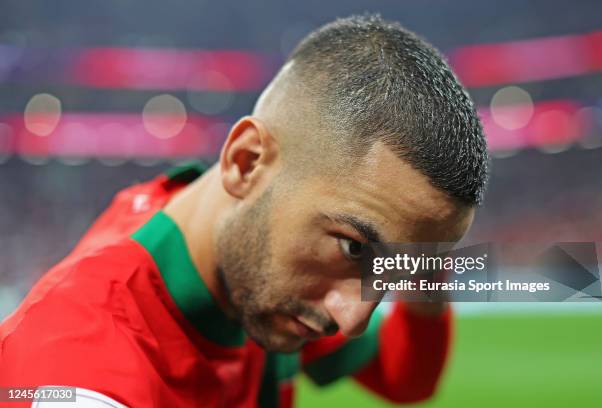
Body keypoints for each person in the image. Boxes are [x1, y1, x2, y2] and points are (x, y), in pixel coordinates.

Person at [0, 14, 488, 407]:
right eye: (353, 247)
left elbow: (404, 379)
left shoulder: (264, 265)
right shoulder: (75, 370)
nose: (352, 318)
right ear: (246, 161)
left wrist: (422, 263)